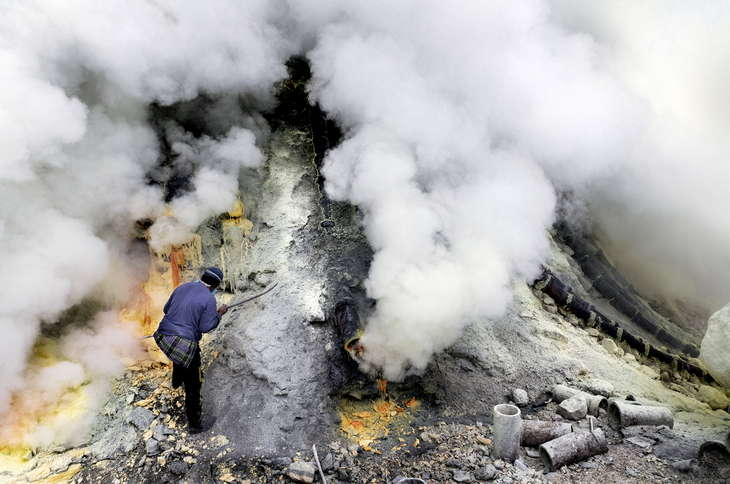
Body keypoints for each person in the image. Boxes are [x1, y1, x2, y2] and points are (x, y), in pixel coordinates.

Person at [154, 267, 228, 434]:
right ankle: (195, 425)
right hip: (182, 342)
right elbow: (205, 327)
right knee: (194, 383)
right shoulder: (209, 299)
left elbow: (167, 310)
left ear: (201, 277)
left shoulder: (183, 287)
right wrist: (219, 314)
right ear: (215, 286)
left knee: (178, 354)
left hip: (163, 336)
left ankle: (176, 381)